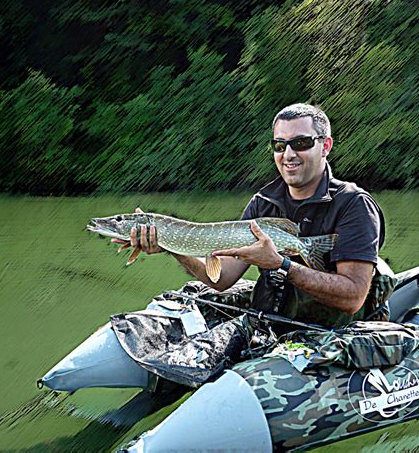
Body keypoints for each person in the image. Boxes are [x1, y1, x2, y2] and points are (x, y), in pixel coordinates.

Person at [117, 103, 387, 328]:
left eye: (301, 143)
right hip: (271, 321)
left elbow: (353, 297)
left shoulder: (354, 205)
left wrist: (280, 265)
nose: (288, 154)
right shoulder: (264, 202)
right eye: (279, 145)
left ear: (325, 146)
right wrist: (170, 243)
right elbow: (220, 278)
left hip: (330, 333)